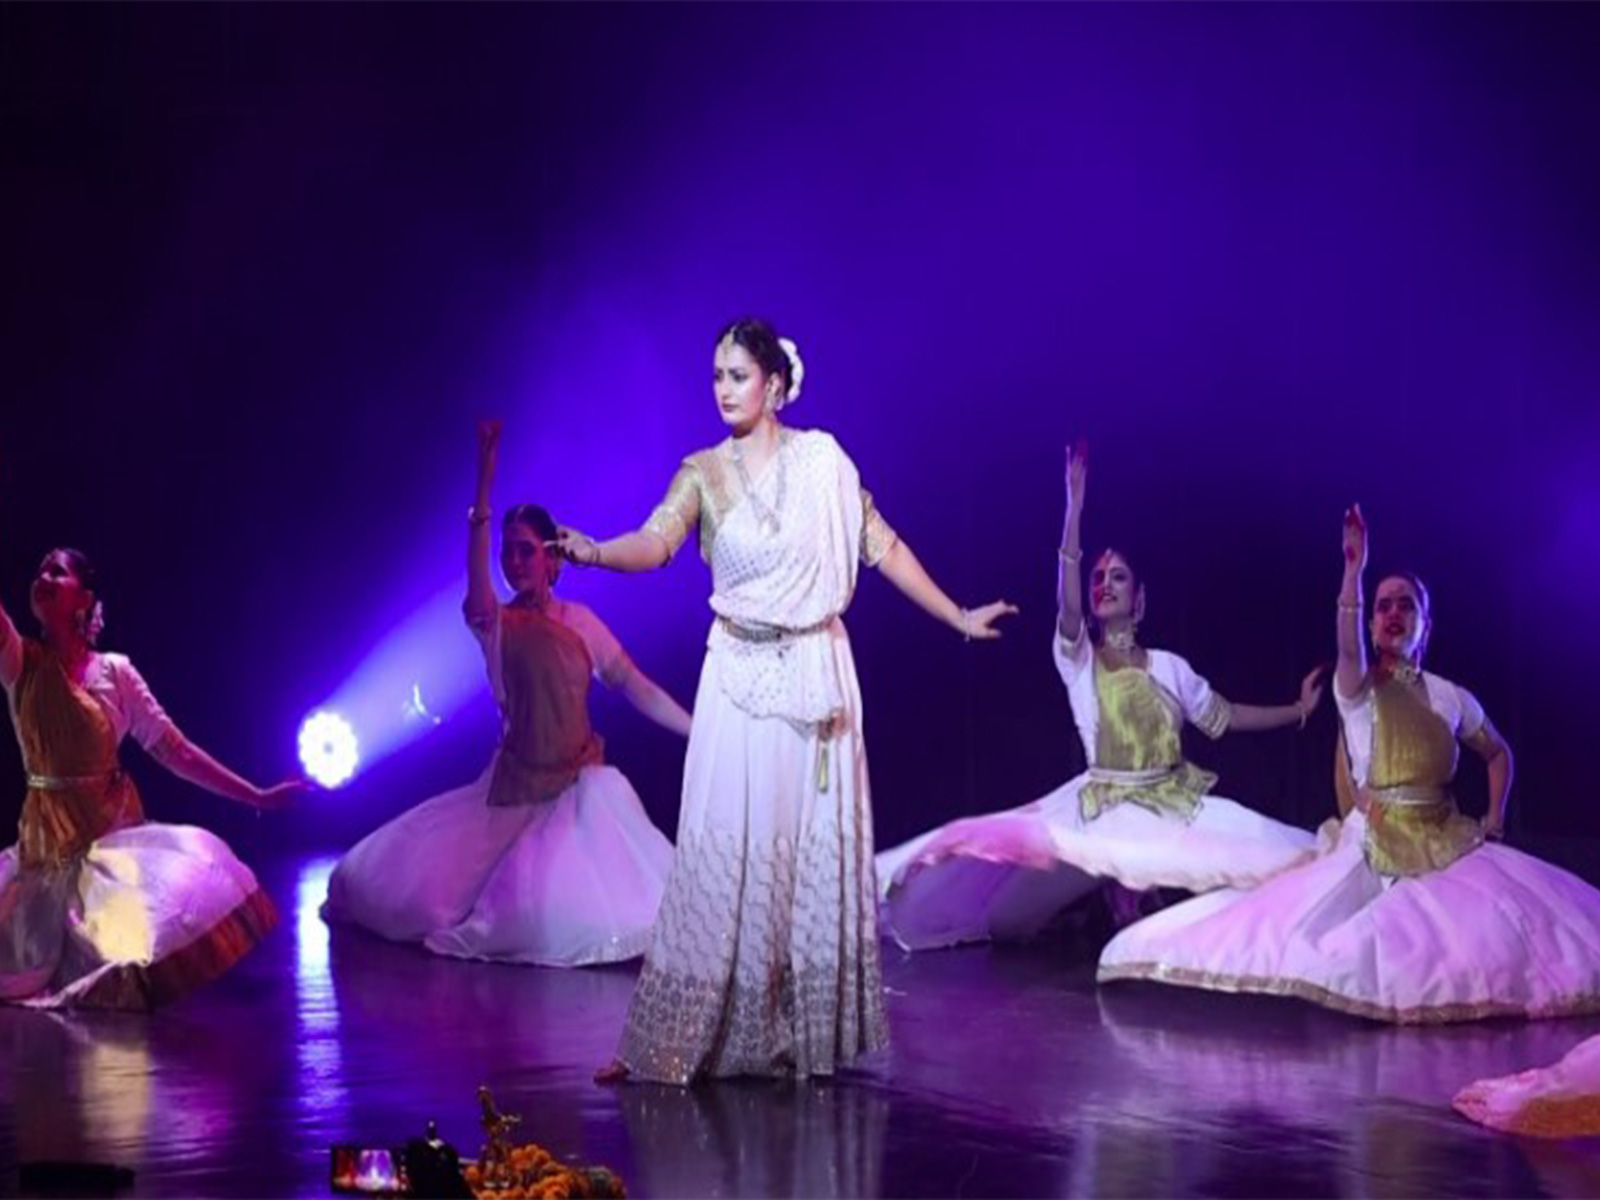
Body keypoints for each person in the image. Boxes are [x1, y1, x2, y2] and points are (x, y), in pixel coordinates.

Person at [560, 317, 1018, 1084]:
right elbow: (656, 540)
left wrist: (958, 616)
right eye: (716, 376)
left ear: (774, 385)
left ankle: (794, 1033)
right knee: (722, 846)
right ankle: (681, 1035)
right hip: (736, 676)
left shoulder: (822, 463)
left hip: (815, 669)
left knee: (803, 853)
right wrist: (598, 552)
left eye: (738, 375)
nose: (723, 389)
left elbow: (883, 546)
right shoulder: (703, 472)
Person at [1098, 505, 1600, 1022]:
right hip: (1374, 840)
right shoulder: (1358, 686)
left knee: (1521, 929)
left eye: (1406, 605)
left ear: (1425, 625)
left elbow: (1497, 753)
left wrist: (1494, 815)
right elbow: (1347, 644)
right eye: (1382, 607)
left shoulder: (1452, 697)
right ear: (1372, 623)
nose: (1393, 614)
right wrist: (1353, 573)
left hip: (1445, 837)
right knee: (1348, 944)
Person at [878, 440, 1323, 950]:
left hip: (1169, 808)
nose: (1105, 584)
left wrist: (1298, 710)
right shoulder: (1080, 661)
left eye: (1118, 577)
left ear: (1139, 599)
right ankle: (1108, 900)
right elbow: (1068, 605)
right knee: (1006, 922)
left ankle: (1147, 911)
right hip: (1099, 815)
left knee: (1285, 859)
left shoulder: (1170, 668)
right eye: (1098, 577)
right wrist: (1074, 509)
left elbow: (1226, 716)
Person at [323, 421, 690, 966]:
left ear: (552, 559)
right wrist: (484, 487)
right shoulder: (497, 623)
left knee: (608, 908)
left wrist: (695, 728)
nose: (514, 561)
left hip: (577, 787)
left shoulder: (581, 623)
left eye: (526, 551)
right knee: (427, 903)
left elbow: (637, 686)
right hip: (516, 787)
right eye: (508, 551)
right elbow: (477, 578)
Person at [0, 546, 299, 1008]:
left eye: (57, 572)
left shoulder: (114, 672)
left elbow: (176, 752)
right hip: (42, 851)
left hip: (107, 845)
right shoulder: (21, 662)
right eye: (40, 571)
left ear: (85, 599)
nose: (44, 578)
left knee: (124, 954)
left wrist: (256, 796)